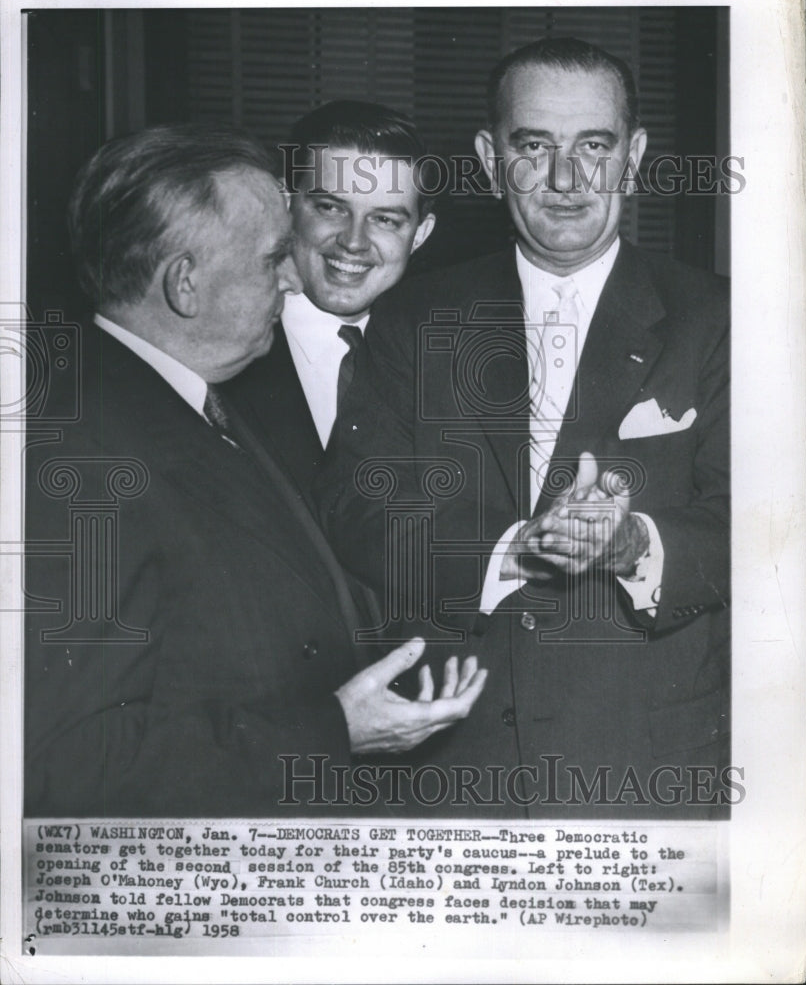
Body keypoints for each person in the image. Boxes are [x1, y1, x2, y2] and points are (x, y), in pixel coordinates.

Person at [319, 38, 730, 818]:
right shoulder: (414, 315)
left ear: (635, 155)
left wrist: (634, 541)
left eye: (595, 147)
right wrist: (513, 549)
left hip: (644, 769)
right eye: (533, 146)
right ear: (487, 157)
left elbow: (767, 528)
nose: (566, 180)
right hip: (453, 766)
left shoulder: (721, 320)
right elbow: (354, 506)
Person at [23, 123, 485, 818]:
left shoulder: (192, 401)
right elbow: (67, 763)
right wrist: (334, 731)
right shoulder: (80, 458)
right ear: (185, 283)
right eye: (273, 260)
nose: (295, 277)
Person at [222, 101, 436, 501]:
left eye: (385, 219)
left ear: (420, 235)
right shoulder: (218, 352)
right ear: (286, 207)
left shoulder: (439, 360)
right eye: (331, 208)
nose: (353, 241)